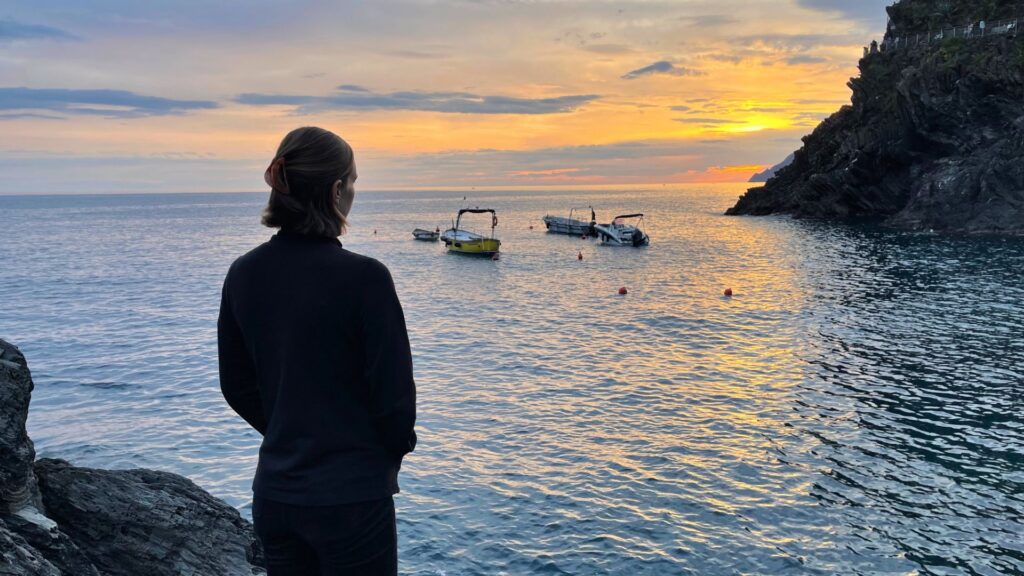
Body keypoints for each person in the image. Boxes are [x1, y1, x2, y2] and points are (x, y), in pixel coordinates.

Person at [218, 126, 417, 575]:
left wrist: (289, 430)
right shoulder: (365, 278)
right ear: (335, 190)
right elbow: (396, 402)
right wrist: (381, 457)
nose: (354, 192)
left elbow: (236, 385)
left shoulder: (243, 273)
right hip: (351, 498)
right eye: (353, 182)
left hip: (276, 494)